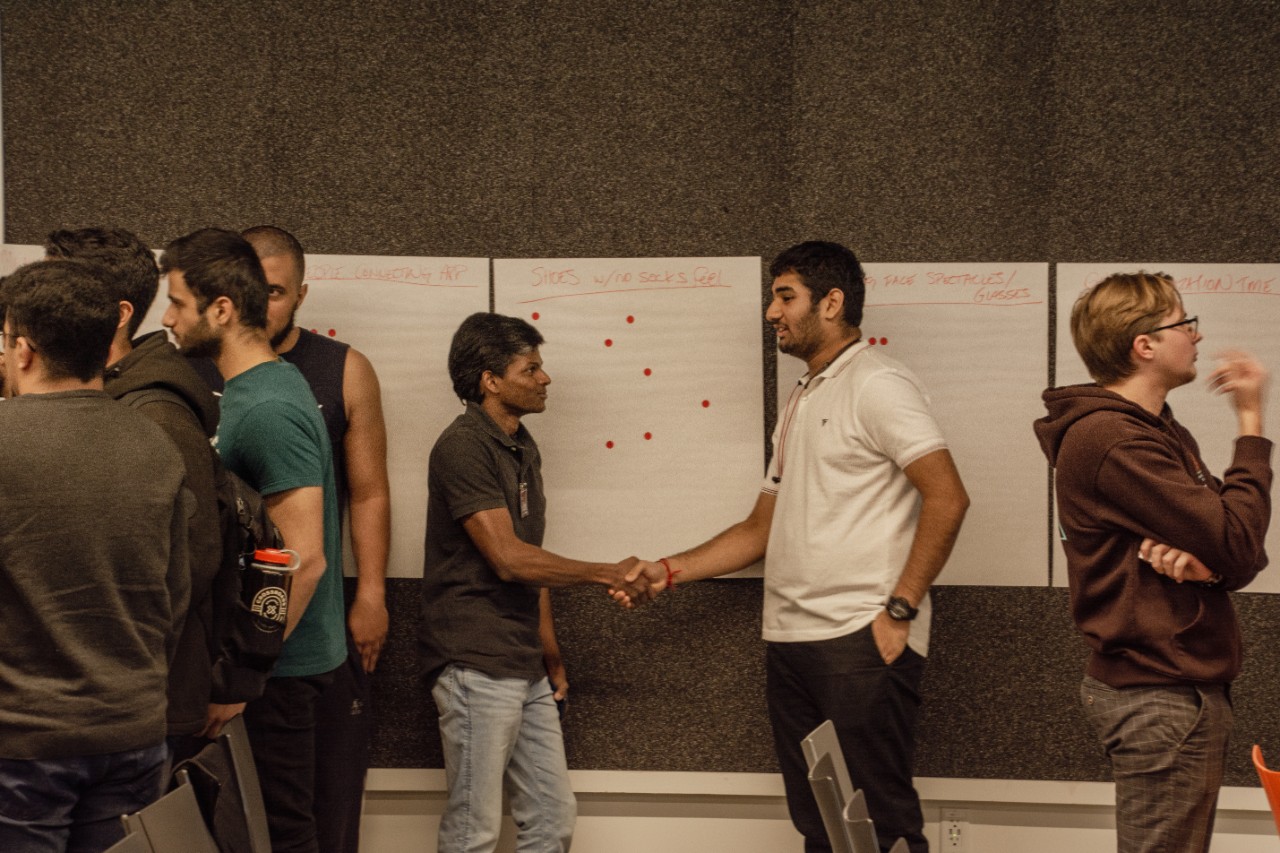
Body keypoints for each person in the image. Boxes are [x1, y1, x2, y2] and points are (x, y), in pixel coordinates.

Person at [625, 241, 969, 853]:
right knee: (823, 827)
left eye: (785, 296)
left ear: (831, 302)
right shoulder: (805, 395)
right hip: (791, 640)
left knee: (879, 828)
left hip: (859, 640)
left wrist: (898, 612)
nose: (771, 312)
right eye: (773, 297)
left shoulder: (878, 383)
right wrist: (668, 571)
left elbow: (948, 497)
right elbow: (762, 528)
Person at [1033, 272, 1271, 853]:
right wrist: (1251, 422)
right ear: (1145, 345)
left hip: (1172, 689)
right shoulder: (1114, 440)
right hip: (1158, 695)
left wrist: (1209, 570)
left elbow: (1238, 559)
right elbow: (1238, 536)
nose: (1195, 335)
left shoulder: (1157, 429)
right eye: (1184, 323)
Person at [420, 312, 658, 853]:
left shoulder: (522, 446)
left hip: (519, 661)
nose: (545, 378)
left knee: (552, 818)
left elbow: (532, 554)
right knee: (472, 829)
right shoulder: (462, 446)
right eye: (532, 368)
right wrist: (605, 572)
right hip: (475, 660)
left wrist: (547, 652)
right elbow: (507, 559)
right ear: (490, 379)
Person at [161, 228, 345, 853]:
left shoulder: (267, 407)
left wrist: (239, 680)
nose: (168, 319)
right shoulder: (248, 390)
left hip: (278, 672)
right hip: (264, 665)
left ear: (220, 309)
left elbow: (304, 559)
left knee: (282, 834)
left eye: (178, 303)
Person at [0, 259, 192, 852]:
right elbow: (175, 595)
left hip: (21, 743)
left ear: (24, 349)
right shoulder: (153, 440)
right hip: (132, 731)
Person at [44, 227, 227, 766]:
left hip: (147, 701)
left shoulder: (156, 413)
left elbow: (194, 561)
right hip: (102, 697)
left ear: (119, 313)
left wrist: (104, 653)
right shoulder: (97, 399)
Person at [241, 224, 390, 853]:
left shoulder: (343, 368)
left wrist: (373, 595)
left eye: (274, 292)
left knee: (321, 820)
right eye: (249, 290)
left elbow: (371, 491)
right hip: (220, 635)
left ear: (301, 293)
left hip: (314, 633)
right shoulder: (191, 368)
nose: (261, 305)